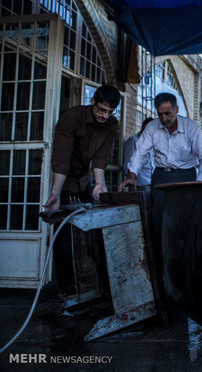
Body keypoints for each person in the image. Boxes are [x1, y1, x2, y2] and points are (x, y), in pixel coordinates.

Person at [43, 84, 121, 300]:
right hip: (65, 179)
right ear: (93, 103)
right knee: (64, 231)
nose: (105, 115)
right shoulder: (72, 117)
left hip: (85, 179)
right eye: (101, 110)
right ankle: (66, 287)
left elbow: (101, 158)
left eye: (109, 112)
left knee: (95, 228)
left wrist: (99, 184)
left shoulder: (111, 124)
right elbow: (61, 159)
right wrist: (56, 193)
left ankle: (97, 282)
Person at [119, 93, 202, 267]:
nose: (164, 118)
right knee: (159, 222)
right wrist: (132, 175)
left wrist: (199, 184)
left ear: (176, 110)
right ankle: (160, 268)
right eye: (160, 114)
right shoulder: (152, 128)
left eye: (168, 113)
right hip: (160, 177)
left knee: (184, 223)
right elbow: (139, 154)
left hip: (186, 178)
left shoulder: (192, 128)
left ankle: (184, 264)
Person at [122, 117, 155, 192]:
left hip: (151, 183)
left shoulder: (150, 142)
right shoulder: (134, 141)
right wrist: (132, 182)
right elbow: (128, 165)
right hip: (140, 184)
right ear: (143, 127)